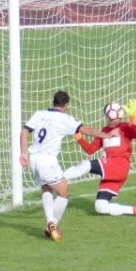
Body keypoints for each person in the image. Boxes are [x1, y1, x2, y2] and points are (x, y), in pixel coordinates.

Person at [19, 90, 112, 242]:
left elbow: (24, 133)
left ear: (53, 102)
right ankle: (52, 224)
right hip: (47, 161)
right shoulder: (65, 119)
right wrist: (106, 135)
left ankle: (49, 226)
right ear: (67, 105)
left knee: (47, 188)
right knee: (64, 193)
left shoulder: (39, 113)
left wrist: (23, 153)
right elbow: (86, 130)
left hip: (33, 158)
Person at [63, 98, 136, 218]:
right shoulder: (104, 131)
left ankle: (60, 179)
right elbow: (90, 150)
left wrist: (133, 118)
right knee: (100, 206)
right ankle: (135, 210)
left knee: (86, 165)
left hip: (119, 165)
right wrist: (79, 137)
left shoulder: (124, 127)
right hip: (112, 171)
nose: (109, 120)